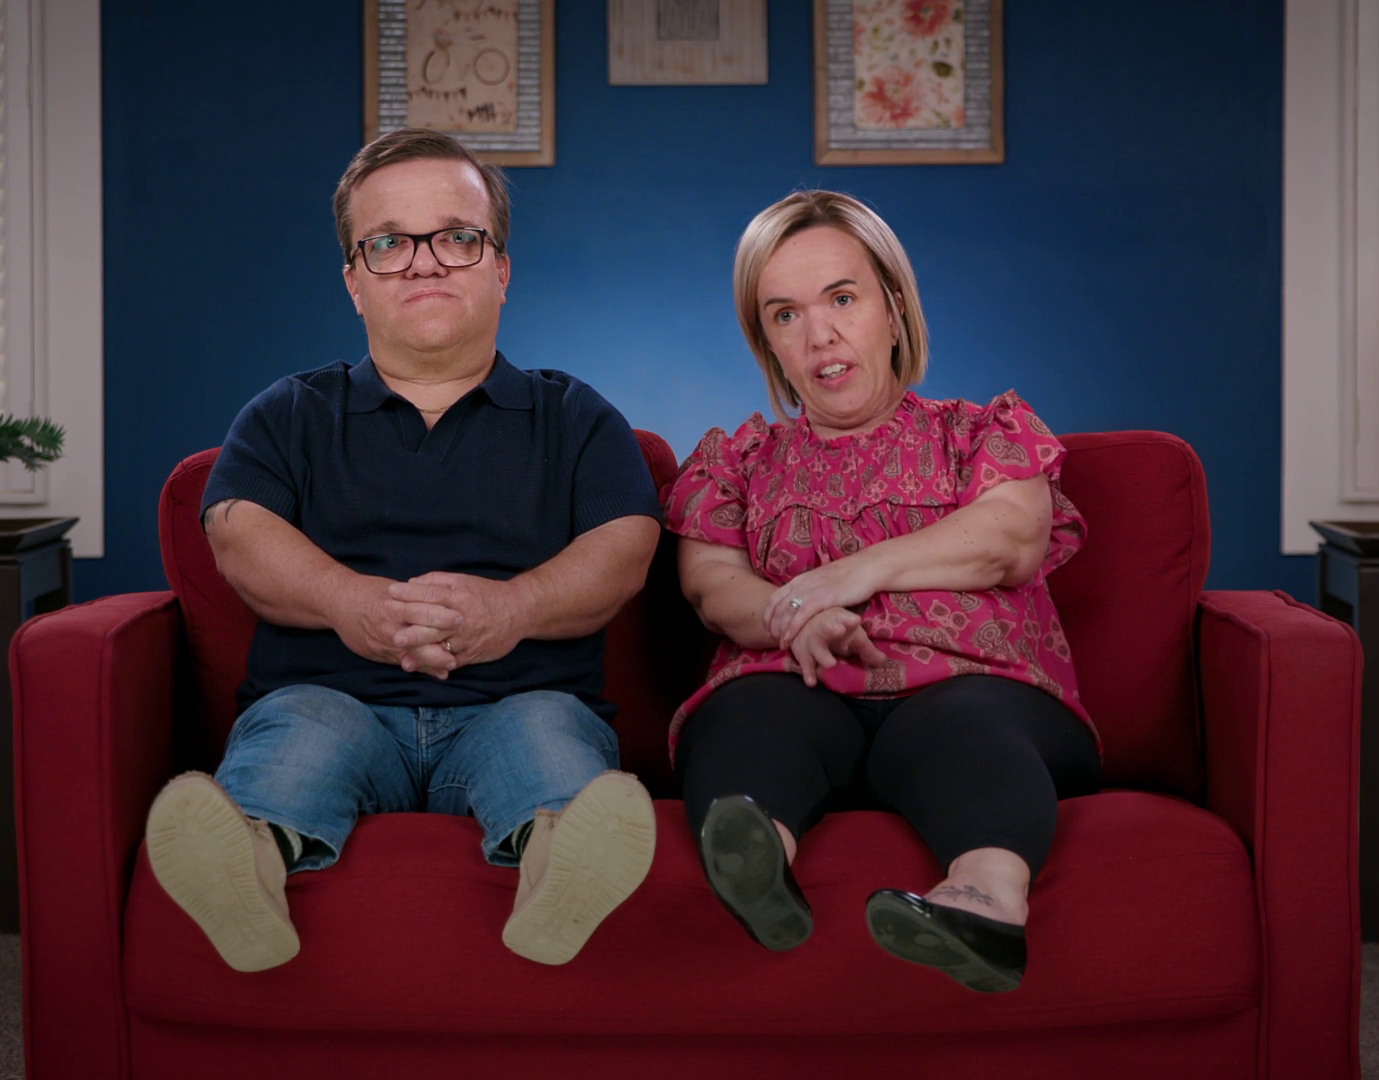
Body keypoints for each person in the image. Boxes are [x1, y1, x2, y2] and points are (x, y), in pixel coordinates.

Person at [142, 129, 664, 972]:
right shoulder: (287, 413)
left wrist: (513, 609)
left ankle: (561, 871)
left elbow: (626, 545)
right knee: (297, 737)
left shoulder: (576, 417)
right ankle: (246, 869)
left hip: (520, 700)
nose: (424, 264)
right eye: (388, 244)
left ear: (501, 268)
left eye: (456, 236)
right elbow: (238, 531)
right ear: (354, 281)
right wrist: (350, 603)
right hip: (331, 700)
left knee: (546, 738)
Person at [660, 191, 1102, 993]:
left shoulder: (979, 432)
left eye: (842, 298)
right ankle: (759, 866)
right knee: (748, 717)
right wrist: (792, 617)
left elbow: (1007, 539)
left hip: (973, 685)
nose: (819, 334)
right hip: (799, 678)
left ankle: (985, 906)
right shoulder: (738, 461)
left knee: (961, 729)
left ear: (894, 310)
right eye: (785, 315)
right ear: (768, 343)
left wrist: (850, 573)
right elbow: (710, 584)